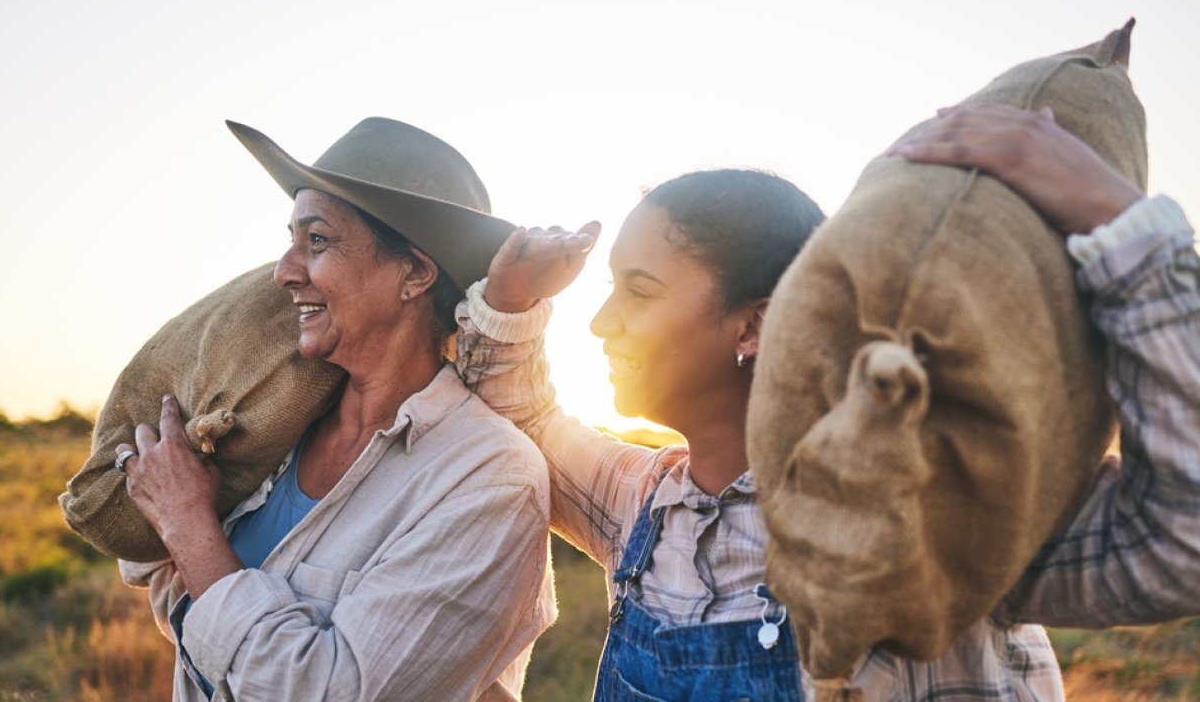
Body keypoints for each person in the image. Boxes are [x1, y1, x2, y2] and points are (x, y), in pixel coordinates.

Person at [454, 103, 1199, 700]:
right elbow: (522, 420)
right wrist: (512, 302)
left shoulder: (923, 506)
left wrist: (1121, 226)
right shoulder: (642, 503)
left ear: (755, 322)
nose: (598, 321)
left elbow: (1176, 542)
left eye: (638, 290)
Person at [114, 117, 555, 701]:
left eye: (317, 241)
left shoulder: (488, 477)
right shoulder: (271, 428)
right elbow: (171, 592)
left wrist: (189, 529)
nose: (284, 272)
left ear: (415, 272)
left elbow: (335, 692)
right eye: (292, 240)